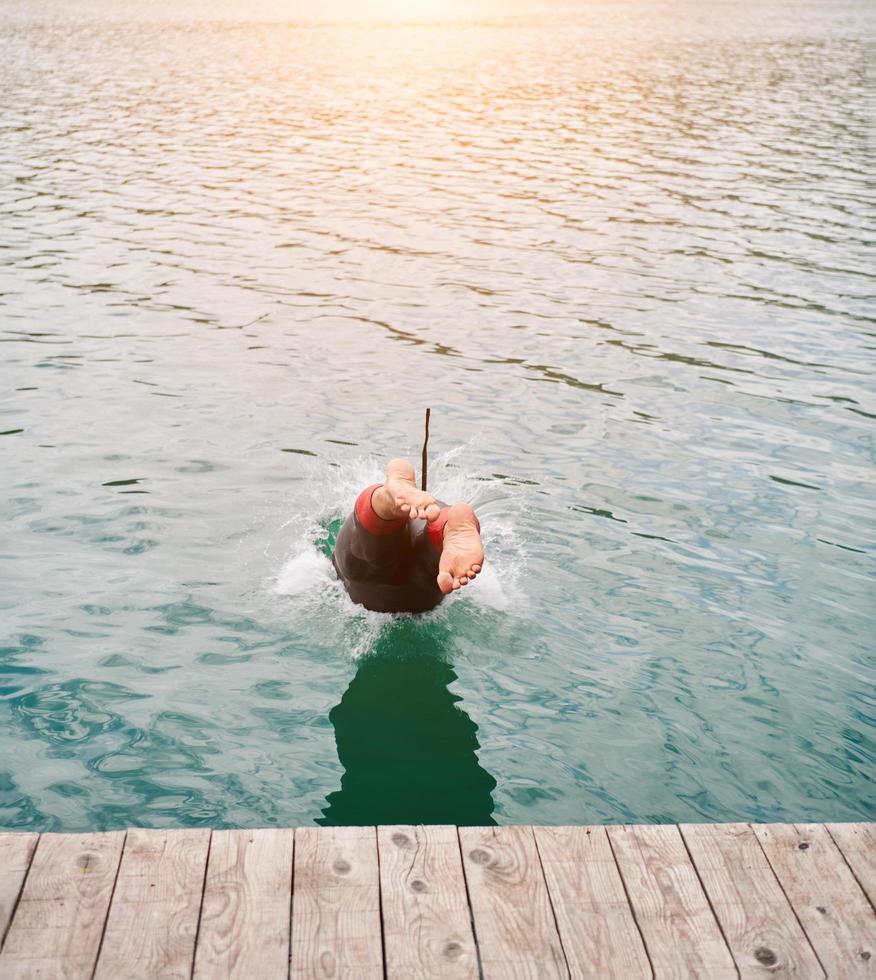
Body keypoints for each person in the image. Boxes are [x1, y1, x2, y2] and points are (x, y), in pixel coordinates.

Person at [332, 458, 484, 613]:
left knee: (367, 551)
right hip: (422, 592)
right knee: (432, 561)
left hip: (368, 589)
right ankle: (446, 527)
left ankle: (386, 502)